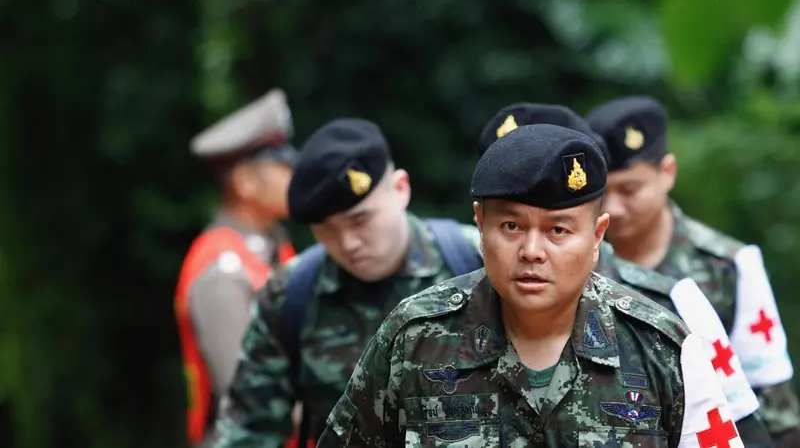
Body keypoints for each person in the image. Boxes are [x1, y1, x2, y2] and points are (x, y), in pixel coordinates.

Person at [317, 123, 744, 447]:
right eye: (510, 226)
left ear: (597, 237)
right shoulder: (415, 339)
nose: (532, 251)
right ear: (479, 225)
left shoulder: (662, 350)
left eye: (558, 230)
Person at [477, 102, 773, 444]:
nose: (531, 248)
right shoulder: (433, 326)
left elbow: (747, 429)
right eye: (511, 219)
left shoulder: (669, 311)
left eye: (555, 220)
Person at [213, 118, 484, 448]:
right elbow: (249, 431)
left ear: (400, 189)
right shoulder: (292, 294)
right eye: (327, 228)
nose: (349, 242)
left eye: (361, 220)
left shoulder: (478, 263)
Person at [586, 96, 800, 447]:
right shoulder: (576, 264)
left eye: (630, 189)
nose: (614, 207)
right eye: (603, 192)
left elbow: (772, 403)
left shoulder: (728, 265)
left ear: (667, 172)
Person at [175, 89, 298, 447]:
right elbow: (251, 398)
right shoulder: (220, 272)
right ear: (245, 182)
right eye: (282, 166)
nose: (294, 175)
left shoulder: (275, 248)